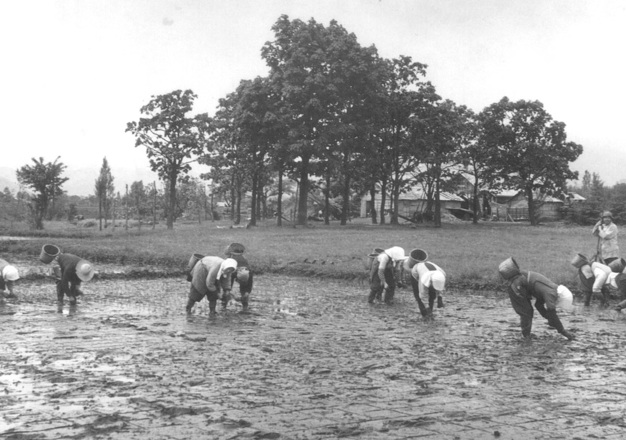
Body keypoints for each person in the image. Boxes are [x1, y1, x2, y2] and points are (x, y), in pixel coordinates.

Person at [499, 257, 575, 341]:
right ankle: (526, 337)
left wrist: (549, 319)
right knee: (526, 312)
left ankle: (526, 335)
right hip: (516, 287)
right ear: (561, 298)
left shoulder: (550, 289)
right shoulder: (551, 293)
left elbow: (539, 305)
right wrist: (564, 332)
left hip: (521, 285)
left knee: (528, 311)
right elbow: (552, 313)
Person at [225, 243, 253, 311]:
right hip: (245, 271)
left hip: (233, 271)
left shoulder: (230, 259)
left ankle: (224, 305)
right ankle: (245, 307)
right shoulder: (244, 259)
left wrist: (229, 292)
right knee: (245, 290)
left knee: (226, 289)